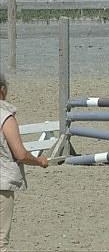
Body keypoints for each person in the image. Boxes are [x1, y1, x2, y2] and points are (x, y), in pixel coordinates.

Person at [0, 73, 48, 252]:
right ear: (2, 90)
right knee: (1, 240)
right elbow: (20, 154)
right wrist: (39, 161)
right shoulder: (5, 117)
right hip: (2, 183)